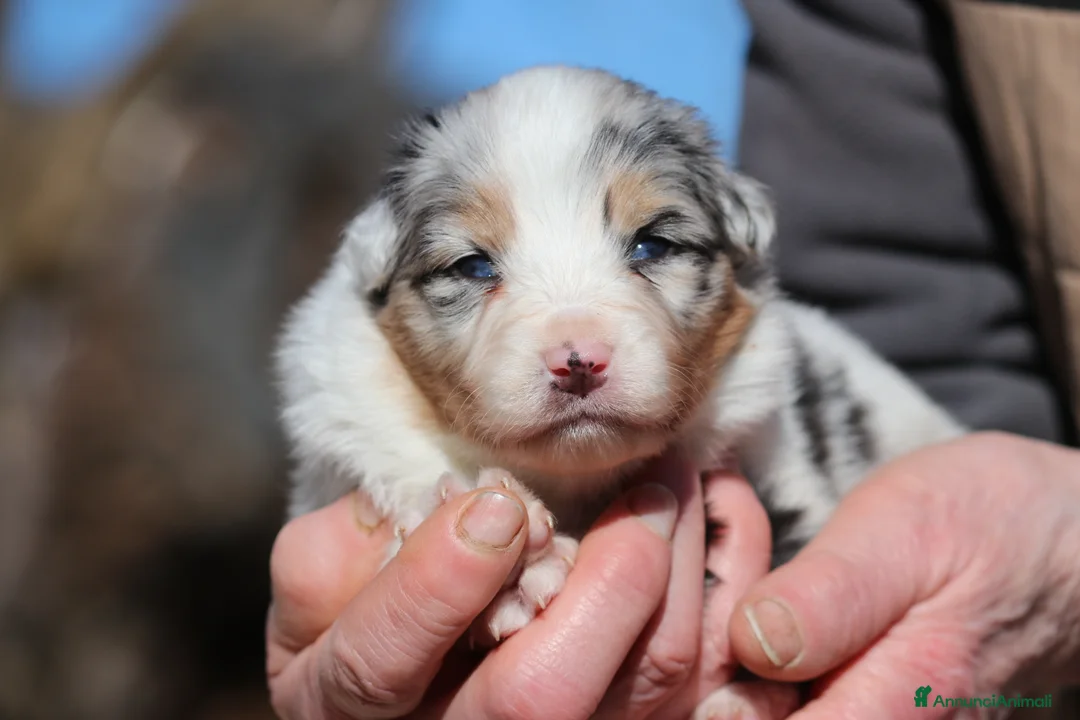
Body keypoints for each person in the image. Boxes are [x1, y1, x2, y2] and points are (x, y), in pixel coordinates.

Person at [267, 0, 1080, 717]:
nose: (575, 350)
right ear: (378, 289)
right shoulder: (354, 381)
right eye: (475, 267)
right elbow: (934, 317)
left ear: (739, 253)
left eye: (651, 243)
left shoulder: (795, 399)